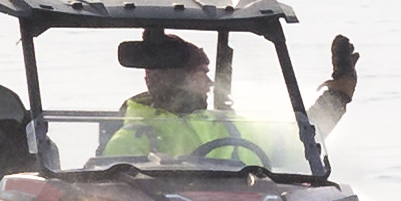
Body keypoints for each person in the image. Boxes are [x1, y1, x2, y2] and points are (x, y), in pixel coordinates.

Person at [96, 32, 271, 167]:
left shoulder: (232, 125)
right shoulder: (131, 140)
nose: (210, 83)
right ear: (177, 79)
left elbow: (285, 158)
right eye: (201, 74)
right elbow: (115, 198)